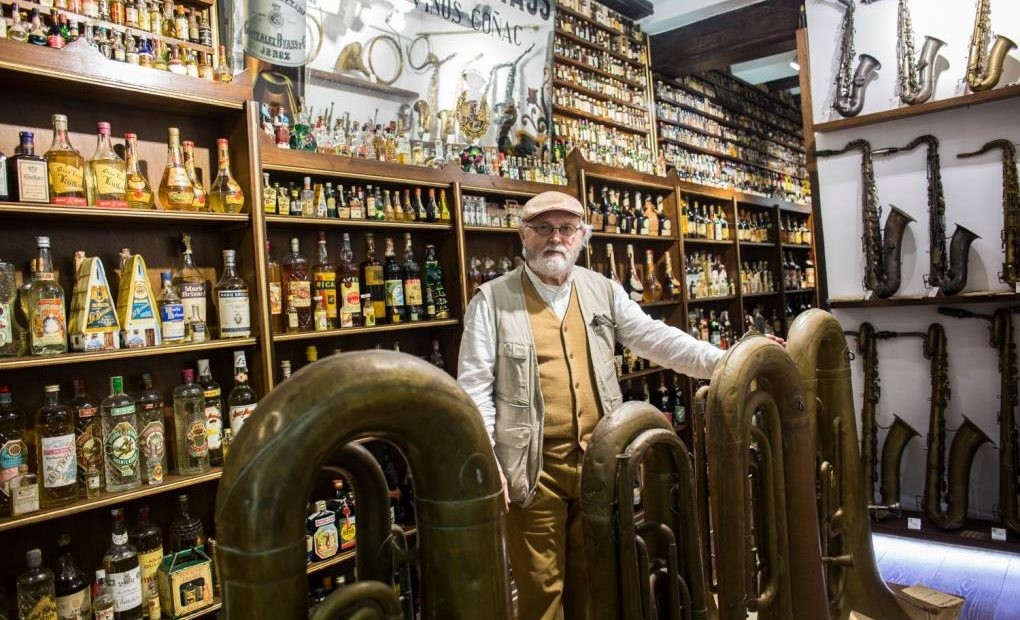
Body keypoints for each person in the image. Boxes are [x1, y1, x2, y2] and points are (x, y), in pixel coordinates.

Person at [457, 190, 729, 619]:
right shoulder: (490, 299)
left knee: (595, 586)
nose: (555, 239)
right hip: (530, 470)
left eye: (566, 229)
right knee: (541, 592)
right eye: (543, 228)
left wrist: (725, 360)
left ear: (582, 237)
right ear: (522, 236)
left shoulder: (603, 289)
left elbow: (654, 338)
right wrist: (490, 462)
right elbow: (473, 388)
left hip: (600, 462)